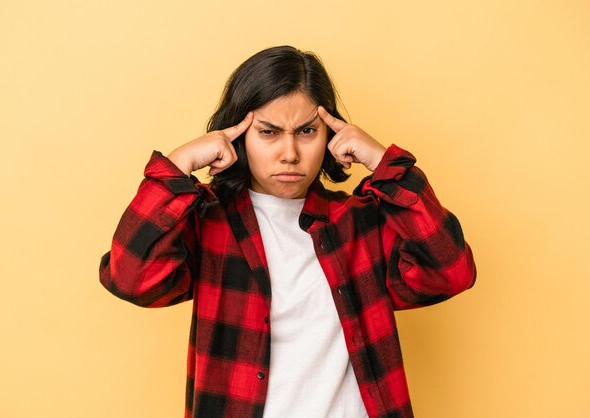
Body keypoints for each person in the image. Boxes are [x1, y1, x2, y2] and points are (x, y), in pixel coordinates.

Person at [99, 45, 476, 418]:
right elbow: (132, 279)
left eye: (307, 131)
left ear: (330, 134)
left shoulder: (360, 221)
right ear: (237, 136)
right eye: (268, 132)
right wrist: (178, 165)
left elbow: (450, 271)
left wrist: (383, 163)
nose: (290, 152)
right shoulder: (209, 222)